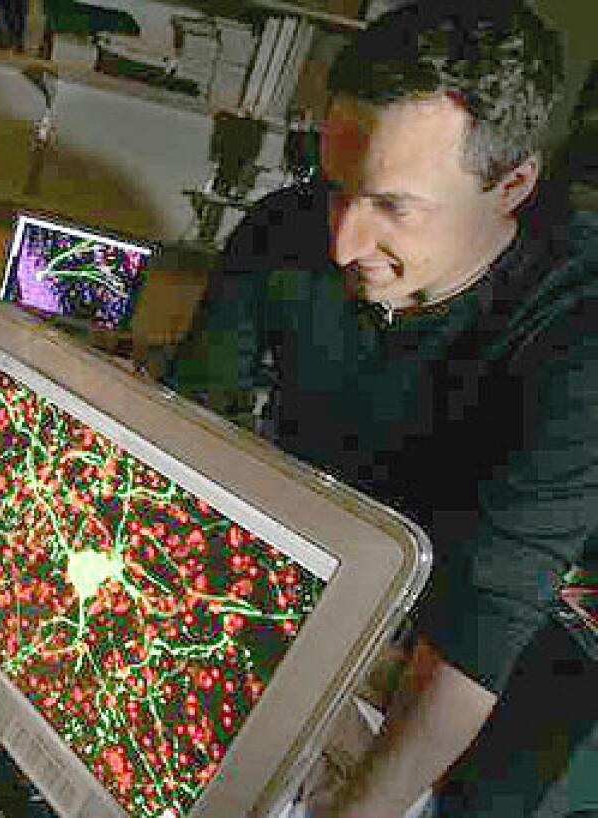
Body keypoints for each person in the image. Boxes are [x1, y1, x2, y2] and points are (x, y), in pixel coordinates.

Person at [168, 3, 596, 816]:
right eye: (336, 190)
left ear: (513, 186)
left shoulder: (579, 331)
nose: (341, 243)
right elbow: (192, 441)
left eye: (395, 207)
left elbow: (484, 624)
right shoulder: (281, 235)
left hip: (499, 625)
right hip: (322, 568)